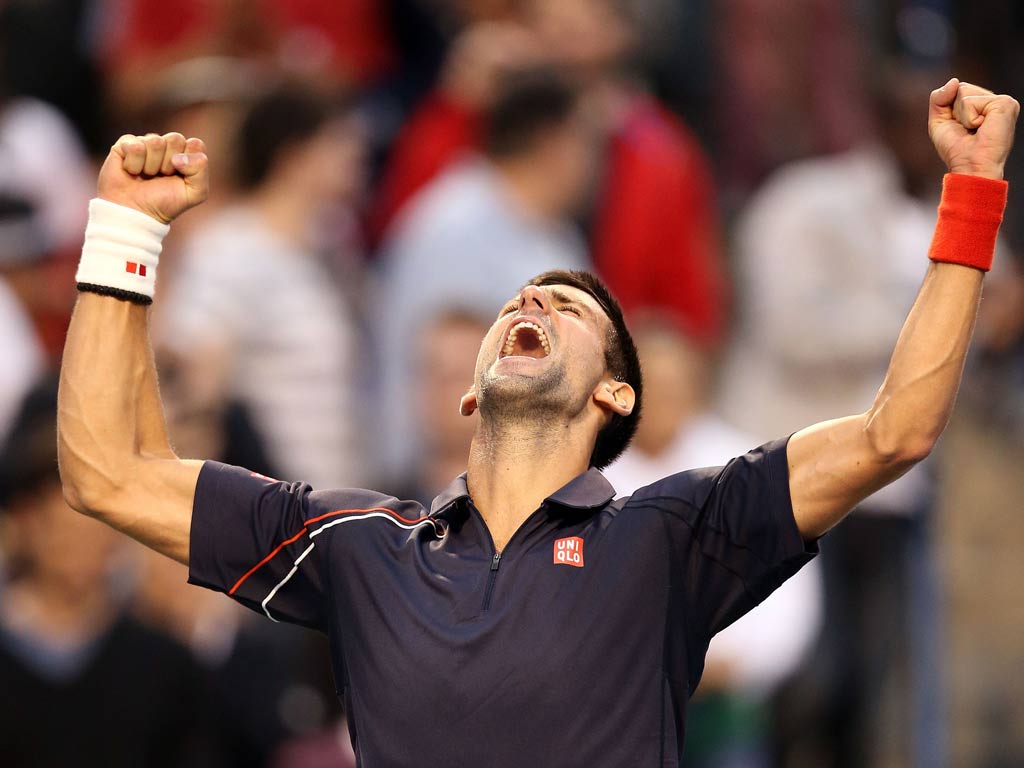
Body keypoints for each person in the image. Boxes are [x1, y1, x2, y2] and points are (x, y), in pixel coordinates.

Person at [57, 79, 1017, 766]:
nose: (534, 300)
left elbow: (897, 431)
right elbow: (107, 472)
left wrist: (971, 190)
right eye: (521, 300)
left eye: (572, 308)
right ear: (471, 393)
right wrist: (126, 234)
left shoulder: (676, 534)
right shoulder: (354, 543)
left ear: (615, 397)